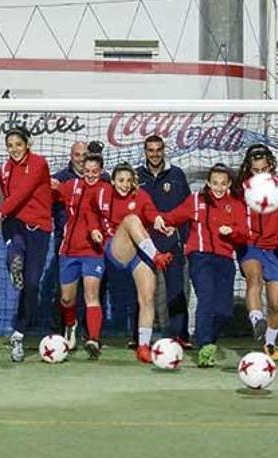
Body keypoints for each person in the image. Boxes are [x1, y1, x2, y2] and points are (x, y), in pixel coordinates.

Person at [155, 164, 247, 367]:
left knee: (224, 311)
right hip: (200, 258)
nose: (219, 187)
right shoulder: (196, 200)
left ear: (229, 184)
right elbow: (174, 216)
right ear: (208, 183)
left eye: (223, 183)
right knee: (206, 297)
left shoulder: (236, 204)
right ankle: (205, 345)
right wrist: (159, 220)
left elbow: (244, 234)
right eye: (215, 183)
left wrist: (230, 231)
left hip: (224, 260)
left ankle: (206, 339)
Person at [88, 163, 173, 363]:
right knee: (131, 220)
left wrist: (159, 221)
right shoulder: (102, 193)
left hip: (141, 253)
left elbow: (152, 213)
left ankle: (143, 346)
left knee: (147, 299)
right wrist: (93, 229)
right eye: (120, 180)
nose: (125, 185)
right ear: (113, 181)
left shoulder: (141, 195)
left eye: (128, 180)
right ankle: (156, 256)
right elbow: (90, 211)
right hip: (117, 249)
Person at [232, 143, 278, 361]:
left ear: (271, 165)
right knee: (254, 279)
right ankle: (256, 320)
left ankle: (269, 342)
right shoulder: (241, 189)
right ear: (249, 169)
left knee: (275, 302)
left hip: (277, 248)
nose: (260, 174)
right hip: (250, 243)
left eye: (264, 169)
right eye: (256, 170)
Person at [0, 127, 52, 362]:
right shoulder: (4, 170)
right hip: (15, 223)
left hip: (39, 228)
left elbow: (24, 192)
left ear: (28, 144)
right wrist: (4, 215)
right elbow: (10, 198)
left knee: (32, 284)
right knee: (15, 249)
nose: (14, 149)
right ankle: (13, 262)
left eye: (18, 144)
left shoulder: (38, 164)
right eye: (10, 145)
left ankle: (19, 331)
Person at [51, 143, 110, 359]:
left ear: (101, 171)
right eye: (87, 171)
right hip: (68, 250)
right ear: (81, 171)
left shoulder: (107, 190)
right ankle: (71, 324)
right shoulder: (72, 186)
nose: (91, 175)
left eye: (95, 172)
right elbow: (50, 189)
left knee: (91, 295)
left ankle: (93, 339)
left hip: (93, 251)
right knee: (67, 299)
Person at [136, 135, 192, 348]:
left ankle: (180, 335)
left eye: (158, 149)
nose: (155, 154)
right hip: (145, 242)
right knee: (143, 293)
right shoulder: (136, 176)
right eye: (150, 150)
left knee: (177, 290)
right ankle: (139, 337)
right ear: (145, 152)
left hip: (171, 242)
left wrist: (185, 239)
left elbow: (187, 209)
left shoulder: (176, 175)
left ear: (164, 150)